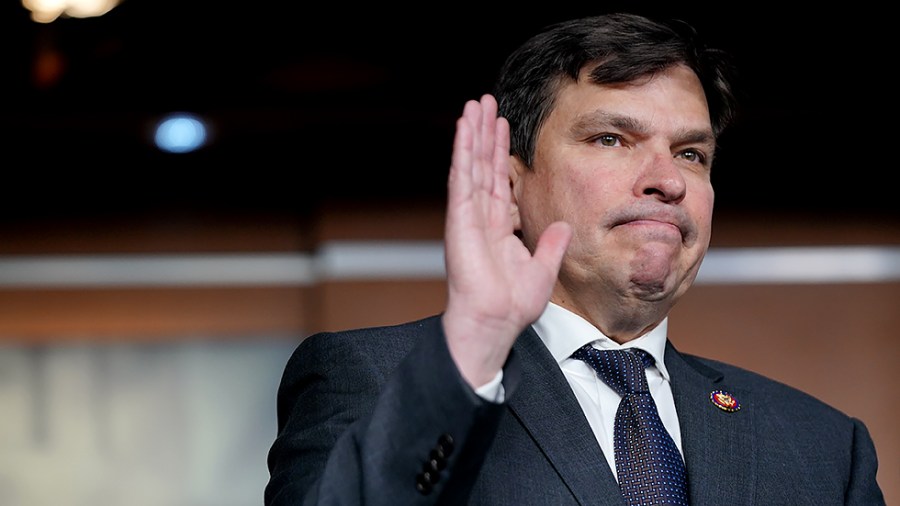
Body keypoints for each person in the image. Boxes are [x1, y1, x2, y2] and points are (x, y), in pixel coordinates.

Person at [264, 12, 885, 505]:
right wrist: (476, 347)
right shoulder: (372, 378)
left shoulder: (824, 445)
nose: (667, 181)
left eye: (692, 153)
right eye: (611, 139)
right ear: (511, 185)